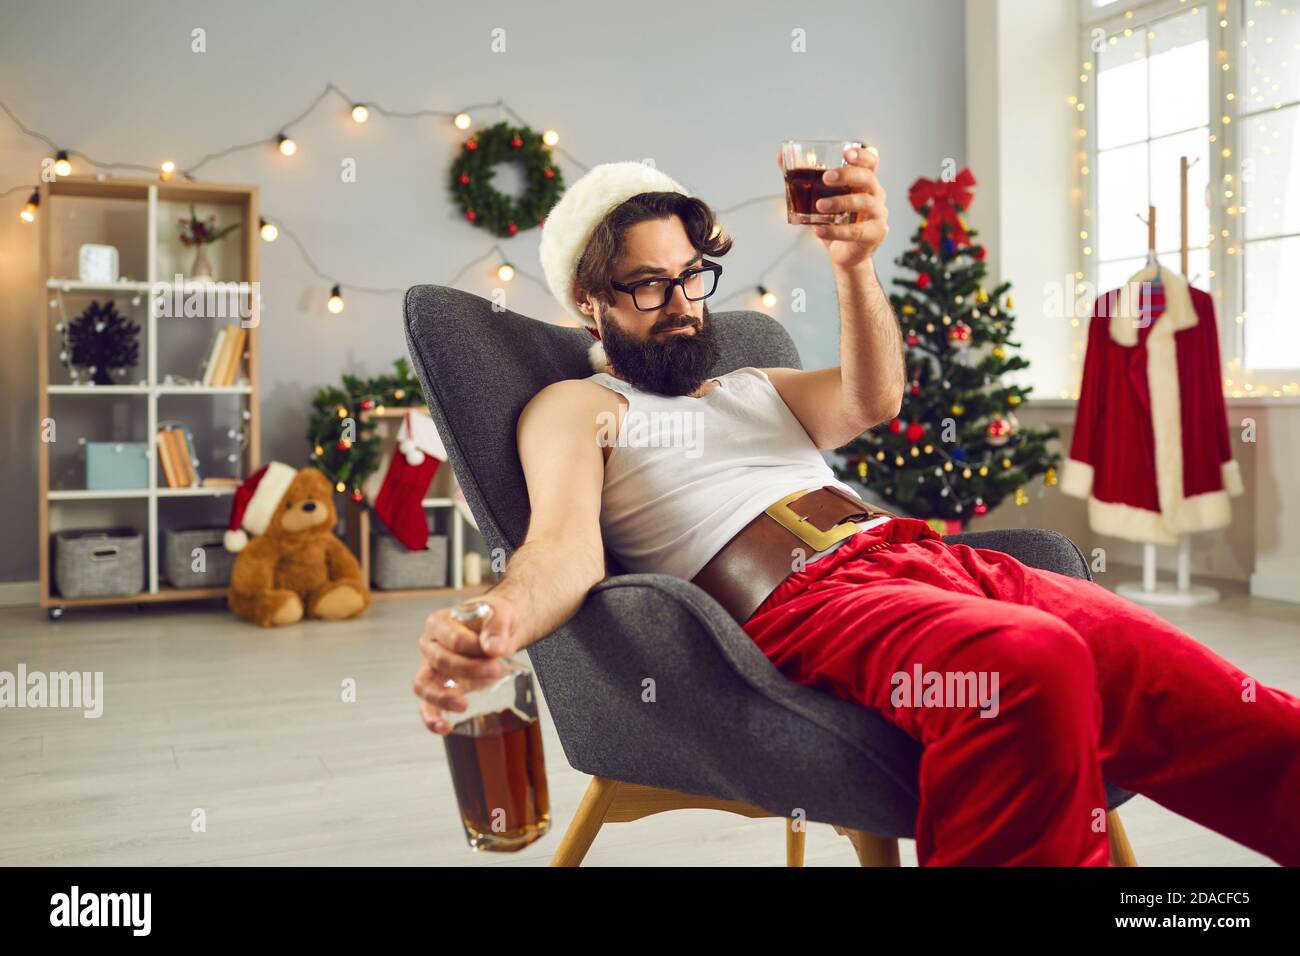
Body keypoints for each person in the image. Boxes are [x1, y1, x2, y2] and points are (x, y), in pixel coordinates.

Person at [413, 151, 1300, 866]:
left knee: (1206, 690)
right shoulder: (579, 408)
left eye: (691, 277)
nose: (681, 306)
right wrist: (493, 620)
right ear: (589, 303)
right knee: (1026, 666)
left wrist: (855, 265)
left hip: (930, 561)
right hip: (809, 602)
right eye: (647, 287)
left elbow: (873, 398)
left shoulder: (754, 386)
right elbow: (563, 551)